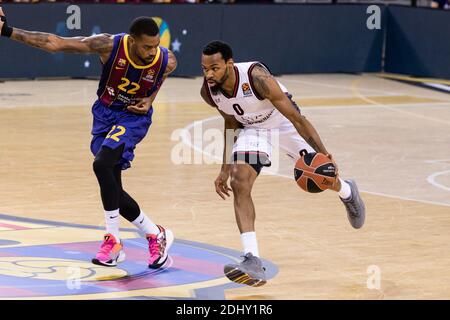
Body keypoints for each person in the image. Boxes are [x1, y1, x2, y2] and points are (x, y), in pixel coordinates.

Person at [0, 9, 177, 268]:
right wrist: (6, 30)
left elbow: (161, 75)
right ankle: (154, 233)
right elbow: (55, 43)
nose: (153, 52)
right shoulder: (108, 45)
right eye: (147, 46)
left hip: (132, 119)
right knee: (112, 183)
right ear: (131, 40)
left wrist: (150, 99)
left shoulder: (167, 60)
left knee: (102, 164)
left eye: (156, 46)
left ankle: (113, 241)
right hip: (104, 115)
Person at [200, 40, 365, 287]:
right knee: (239, 182)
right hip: (254, 130)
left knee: (323, 177)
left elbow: (296, 118)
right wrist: (224, 168)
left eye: (214, 68)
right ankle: (252, 259)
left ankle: (348, 192)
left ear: (229, 64)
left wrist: (323, 153)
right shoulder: (209, 91)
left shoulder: (256, 78)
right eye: (204, 69)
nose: (209, 74)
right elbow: (231, 123)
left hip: (284, 124)